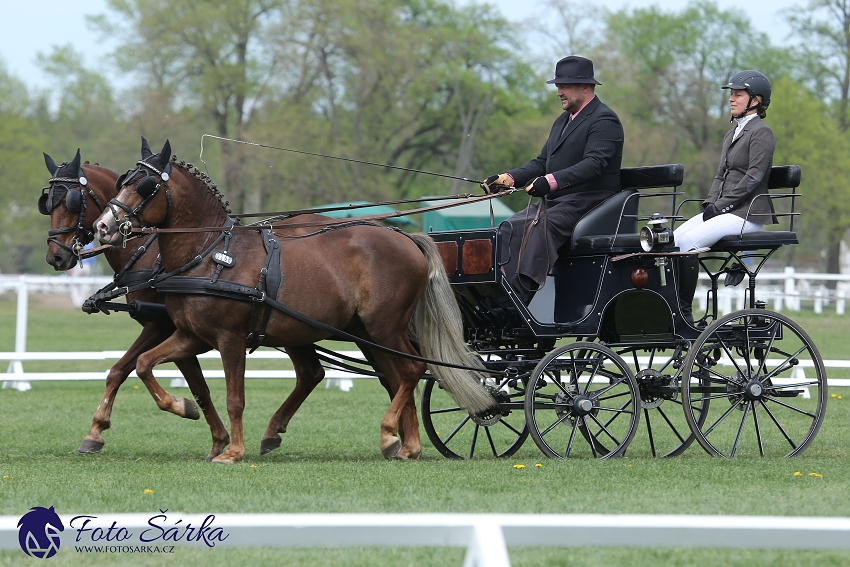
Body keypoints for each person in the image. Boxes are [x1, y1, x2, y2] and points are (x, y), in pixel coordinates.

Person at [481, 55, 624, 304]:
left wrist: (551, 181)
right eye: (558, 86)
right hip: (558, 203)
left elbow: (594, 164)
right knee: (507, 227)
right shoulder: (562, 122)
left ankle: (519, 299)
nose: (558, 92)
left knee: (541, 228)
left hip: (590, 203)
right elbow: (541, 163)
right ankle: (497, 292)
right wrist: (509, 178)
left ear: (585, 87)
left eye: (564, 86)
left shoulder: (604, 120)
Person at [673, 70, 777, 324]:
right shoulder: (731, 134)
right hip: (726, 210)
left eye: (738, 94)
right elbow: (720, 175)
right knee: (673, 240)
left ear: (755, 100)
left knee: (687, 245)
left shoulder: (762, 133)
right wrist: (710, 204)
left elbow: (753, 178)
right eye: (731, 94)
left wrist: (721, 206)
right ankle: (671, 306)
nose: (731, 99)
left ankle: (683, 314)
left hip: (748, 213)